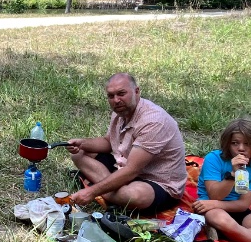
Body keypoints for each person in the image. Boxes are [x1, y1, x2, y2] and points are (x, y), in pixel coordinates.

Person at [67, 73, 187, 216]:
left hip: (158, 182)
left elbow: (132, 170)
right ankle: (111, 190)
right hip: (125, 167)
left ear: (137, 91)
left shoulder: (153, 121)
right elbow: (109, 142)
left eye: (121, 94)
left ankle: (103, 189)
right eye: (111, 96)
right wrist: (82, 143)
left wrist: (91, 192)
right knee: (78, 154)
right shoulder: (121, 111)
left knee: (133, 196)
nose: (116, 100)